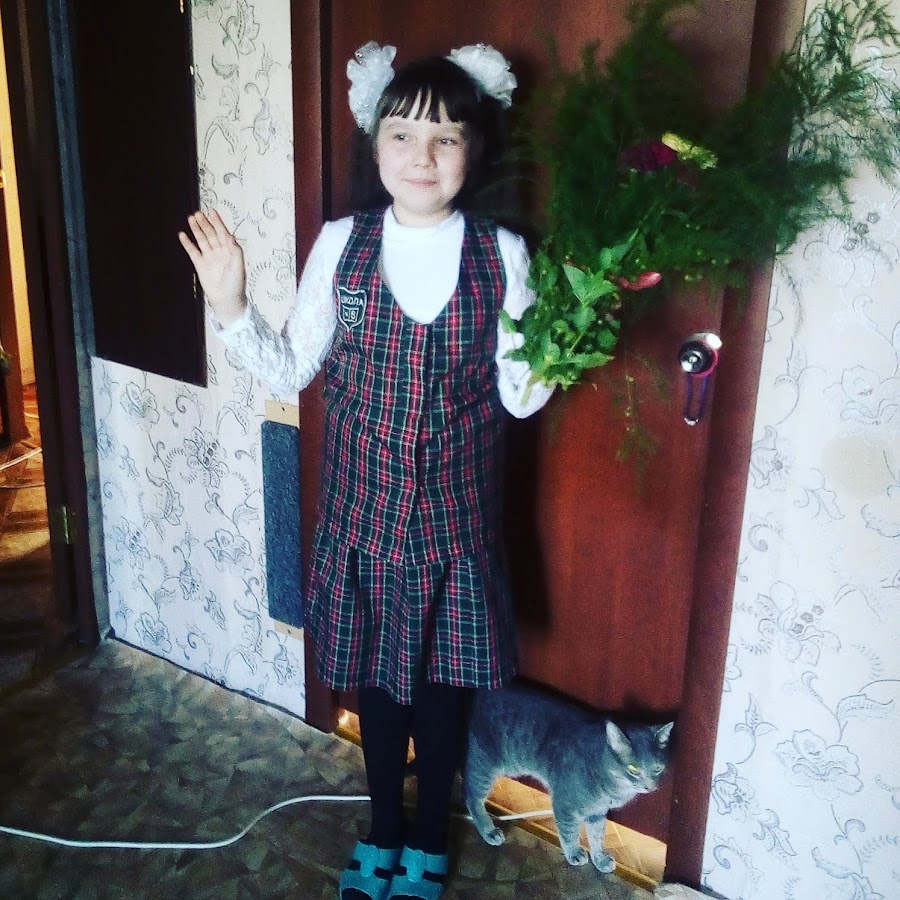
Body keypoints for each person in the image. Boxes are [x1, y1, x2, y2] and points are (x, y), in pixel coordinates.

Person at [179, 41, 554, 900]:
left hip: (457, 529)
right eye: (403, 134)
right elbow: (289, 370)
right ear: (375, 145)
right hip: (364, 522)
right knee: (380, 694)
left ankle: (429, 839)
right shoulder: (344, 244)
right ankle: (384, 828)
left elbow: (522, 397)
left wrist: (567, 334)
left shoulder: (502, 253)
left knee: (443, 694)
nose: (423, 155)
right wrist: (231, 303)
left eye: (446, 137)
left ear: (474, 151)